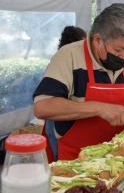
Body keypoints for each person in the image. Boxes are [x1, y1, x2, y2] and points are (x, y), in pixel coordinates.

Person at [33, 3, 124, 161]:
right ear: (97, 40)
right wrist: (98, 108)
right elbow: (42, 107)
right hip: (77, 158)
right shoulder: (68, 57)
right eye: (118, 50)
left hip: (118, 153)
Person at [45, 26, 87, 162]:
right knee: (60, 158)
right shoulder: (61, 62)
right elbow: (48, 105)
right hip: (57, 122)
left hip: (72, 125)